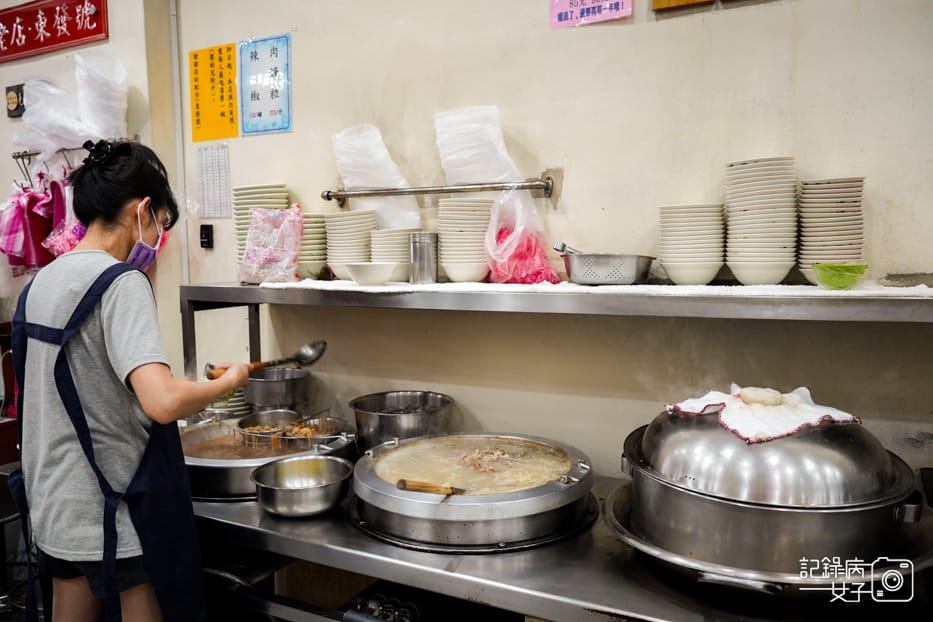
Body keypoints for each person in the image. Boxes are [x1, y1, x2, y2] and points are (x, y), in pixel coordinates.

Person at [10, 139, 251, 622]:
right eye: (161, 223)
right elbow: (161, 401)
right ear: (143, 209)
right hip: (114, 514)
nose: (158, 237)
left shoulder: (41, 283)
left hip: (54, 507)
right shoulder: (120, 283)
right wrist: (231, 381)